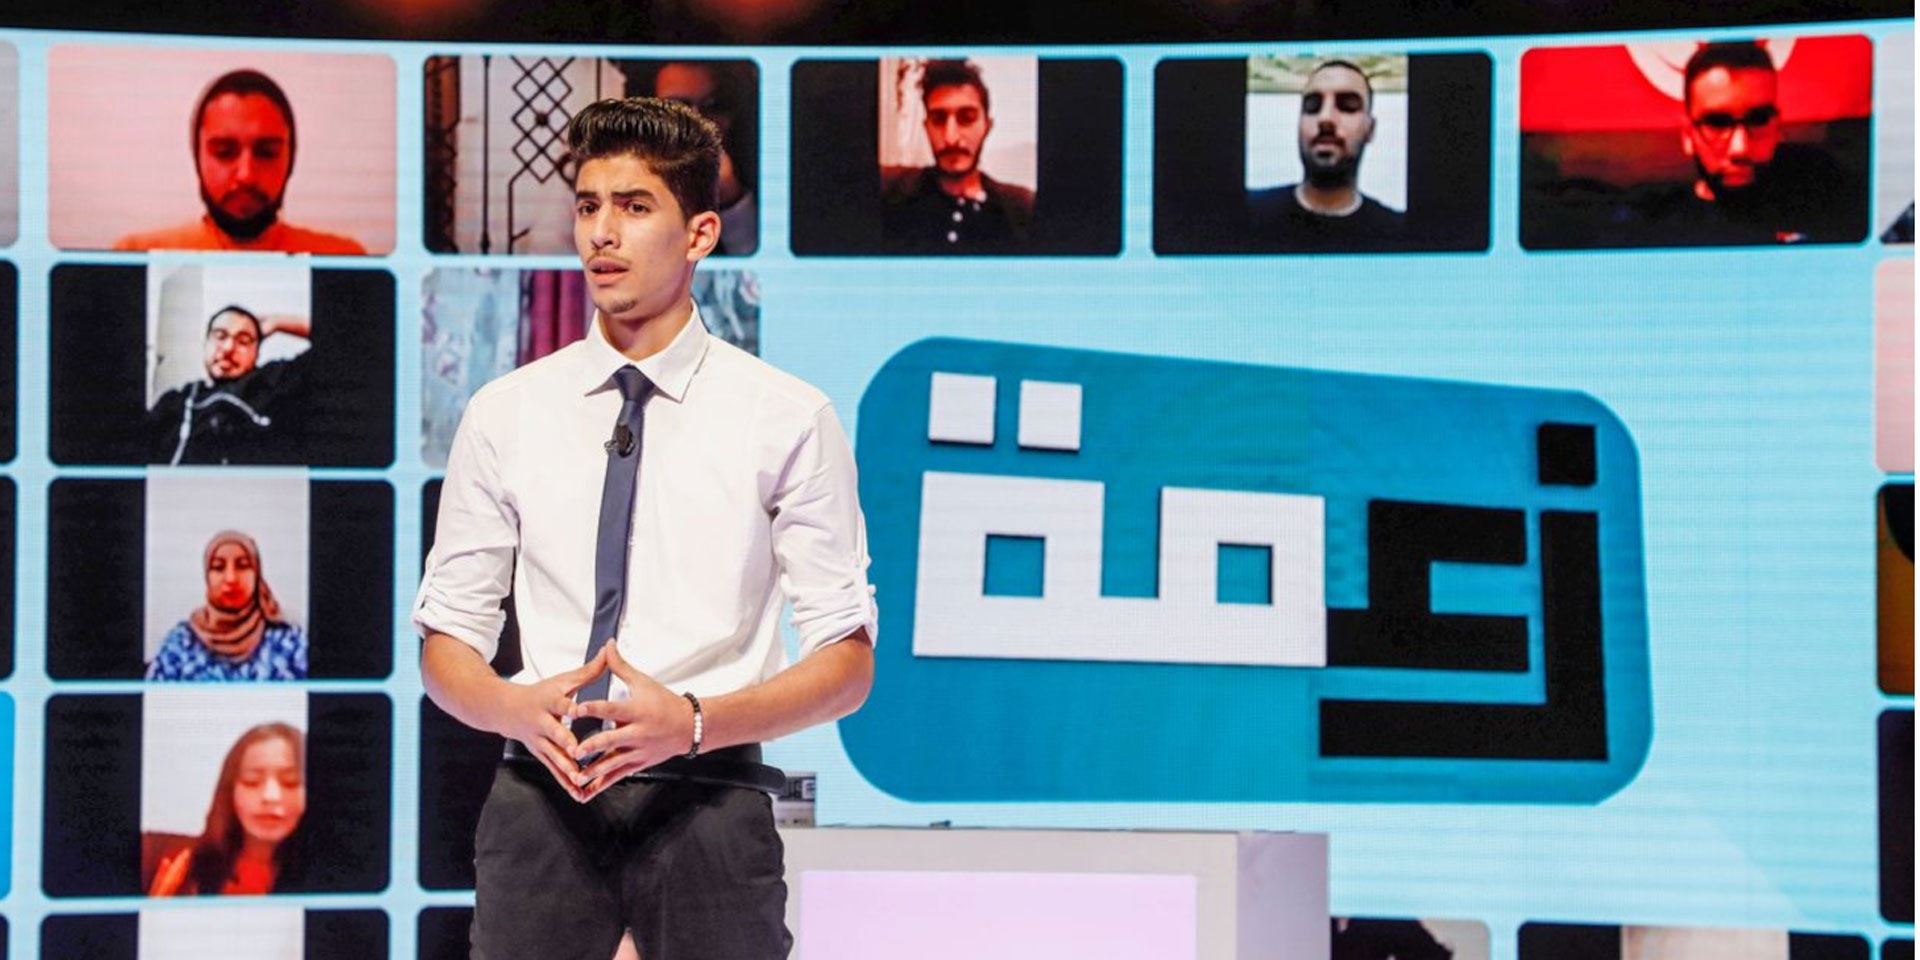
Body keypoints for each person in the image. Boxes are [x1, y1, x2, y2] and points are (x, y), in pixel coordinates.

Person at [416, 97, 876, 960]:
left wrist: (694, 721)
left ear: (700, 234)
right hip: (540, 798)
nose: (601, 234)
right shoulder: (506, 412)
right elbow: (445, 650)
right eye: (588, 205)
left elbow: (847, 666)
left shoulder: (786, 417)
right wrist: (516, 705)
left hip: (711, 795)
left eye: (633, 207)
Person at [1608, 41, 1859, 246]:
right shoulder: (1648, 222)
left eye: (1758, 120)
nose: (1741, 147)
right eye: (1717, 123)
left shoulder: (1824, 193)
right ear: (1688, 135)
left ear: (1776, 126)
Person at [114, 69, 367, 254]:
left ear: (290, 158)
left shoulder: (341, 258)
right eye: (224, 152)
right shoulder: (138, 255)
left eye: (266, 153)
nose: (246, 175)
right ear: (197, 156)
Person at [1247, 59, 1406, 245]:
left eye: (1347, 105)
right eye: (1312, 106)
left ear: (1370, 129)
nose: (1325, 118)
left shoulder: (1397, 233)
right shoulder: (1247, 213)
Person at [880, 58, 1034, 249]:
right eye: (938, 119)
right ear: (926, 127)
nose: (951, 137)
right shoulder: (889, 193)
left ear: (987, 126)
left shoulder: (1021, 211)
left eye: (967, 118)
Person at [145, 722, 309, 895]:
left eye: (291, 782)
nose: (270, 796)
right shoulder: (180, 864)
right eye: (251, 781)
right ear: (230, 790)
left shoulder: (329, 873)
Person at [147, 305, 312, 465]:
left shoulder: (274, 381)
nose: (228, 348)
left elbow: (334, 341)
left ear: (257, 353)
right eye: (220, 336)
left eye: (243, 341)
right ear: (205, 344)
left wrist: (277, 322)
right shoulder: (176, 402)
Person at [148, 530, 308, 681]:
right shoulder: (180, 643)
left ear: (257, 575)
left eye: (243, 565)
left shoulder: (289, 642)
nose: (231, 578)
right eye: (218, 567)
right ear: (207, 577)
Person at [650, 61, 758, 256]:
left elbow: (764, 279)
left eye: (713, 106)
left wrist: (730, 197)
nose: (698, 121)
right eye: (676, 108)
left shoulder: (759, 165)